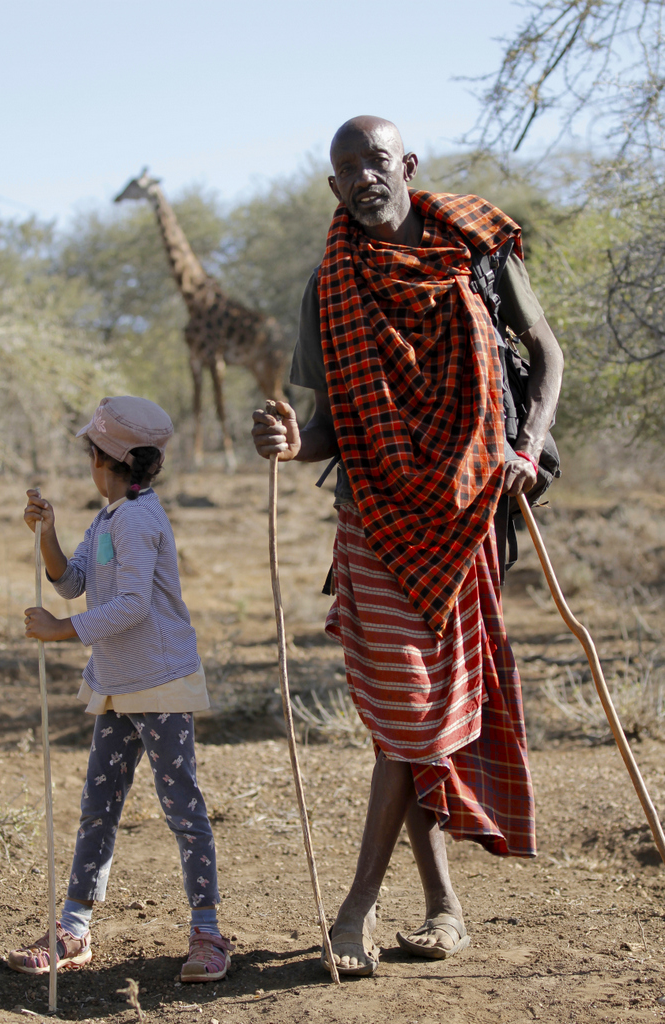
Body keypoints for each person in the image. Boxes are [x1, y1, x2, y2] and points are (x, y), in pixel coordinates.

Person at [252, 116, 564, 976]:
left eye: (375, 161)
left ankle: (428, 907)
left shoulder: (475, 246)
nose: (362, 177)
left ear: (407, 165)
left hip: (469, 514)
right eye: (345, 167)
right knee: (409, 709)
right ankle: (368, 910)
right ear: (332, 185)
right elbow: (328, 432)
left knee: (415, 720)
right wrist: (288, 441)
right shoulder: (330, 285)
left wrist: (527, 446)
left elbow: (544, 351)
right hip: (375, 520)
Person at [7, 396, 234, 983]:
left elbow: (131, 606)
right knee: (98, 809)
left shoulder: (138, 519)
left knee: (183, 809)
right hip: (117, 685)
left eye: (91, 452)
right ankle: (74, 927)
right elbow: (73, 580)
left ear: (106, 459)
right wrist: (49, 532)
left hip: (160, 684)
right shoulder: (110, 517)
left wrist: (63, 632)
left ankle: (208, 934)